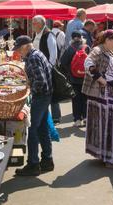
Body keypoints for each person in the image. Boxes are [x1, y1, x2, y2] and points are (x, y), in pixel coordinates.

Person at [83, 30, 113, 168]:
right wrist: (102, 81)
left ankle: (111, 157)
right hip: (106, 95)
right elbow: (88, 63)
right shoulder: (98, 50)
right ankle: (110, 159)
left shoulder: (109, 52)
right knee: (110, 125)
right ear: (107, 40)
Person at [13, 36, 54, 177]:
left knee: (33, 130)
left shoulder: (33, 58)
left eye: (19, 49)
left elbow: (40, 81)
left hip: (41, 96)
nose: (18, 52)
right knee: (42, 128)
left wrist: (29, 90)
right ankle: (47, 160)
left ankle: (33, 164)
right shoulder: (38, 53)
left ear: (25, 46)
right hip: (46, 95)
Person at [60, 32, 88, 126]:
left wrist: (69, 71)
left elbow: (63, 62)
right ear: (81, 38)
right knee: (85, 97)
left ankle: (77, 120)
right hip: (85, 77)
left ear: (72, 38)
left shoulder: (70, 49)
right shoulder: (86, 48)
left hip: (74, 78)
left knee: (76, 99)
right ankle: (86, 117)